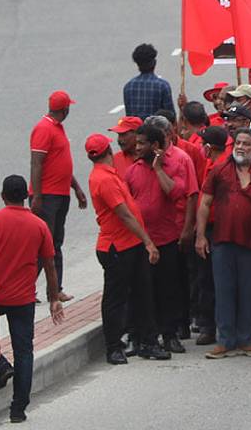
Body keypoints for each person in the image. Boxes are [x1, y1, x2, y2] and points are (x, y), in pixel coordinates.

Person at [0, 176, 63, 423]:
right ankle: (18, 409)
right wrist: (54, 298)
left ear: (3, 196)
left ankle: (1, 366)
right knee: (24, 352)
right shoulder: (39, 225)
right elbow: (50, 265)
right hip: (24, 300)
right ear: (26, 197)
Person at [195, 128, 251, 360]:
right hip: (222, 241)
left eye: (246, 144)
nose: (241, 147)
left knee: (249, 292)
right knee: (224, 291)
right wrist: (200, 236)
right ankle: (225, 341)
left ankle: (246, 340)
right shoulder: (219, 170)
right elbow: (205, 203)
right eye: (238, 143)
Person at [85, 133, 167, 365]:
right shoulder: (105, 179)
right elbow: (124, 215)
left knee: (141, 294)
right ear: (109, 151)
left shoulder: (105, 175)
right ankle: (115, 346)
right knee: (117, 298)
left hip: (128, 244)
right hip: (117, 247)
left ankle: (145, 341)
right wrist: (148, 241)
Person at [125, 124, 197, 354]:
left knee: (168, 289)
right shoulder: (132, 171)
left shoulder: (174, 166)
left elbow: (175, 193)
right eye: (136, 143)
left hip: (166, 239)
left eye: (142, 143)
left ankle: (170, 335)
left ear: (155, 145)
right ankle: (143, 337)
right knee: (143, 291)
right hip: (141, 241)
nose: (137, 147)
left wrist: (158, 169)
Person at [29, 90, 86, 302]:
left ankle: (55, 289)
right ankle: (26, 288)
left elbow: (60, 163)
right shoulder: (44, 128)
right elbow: (36, 163)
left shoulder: (57, 127)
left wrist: (76, 188)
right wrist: (37, 196)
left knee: (55, 243)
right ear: (65, 109)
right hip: (47, 196)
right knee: (44, 245)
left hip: (59, 194)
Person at [122, 43, 175, 120]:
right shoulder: (163, 86)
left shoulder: (128, 87)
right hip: (156, 127)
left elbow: (129, 116)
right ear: (154, 62)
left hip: (135, 127)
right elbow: (171, 116)